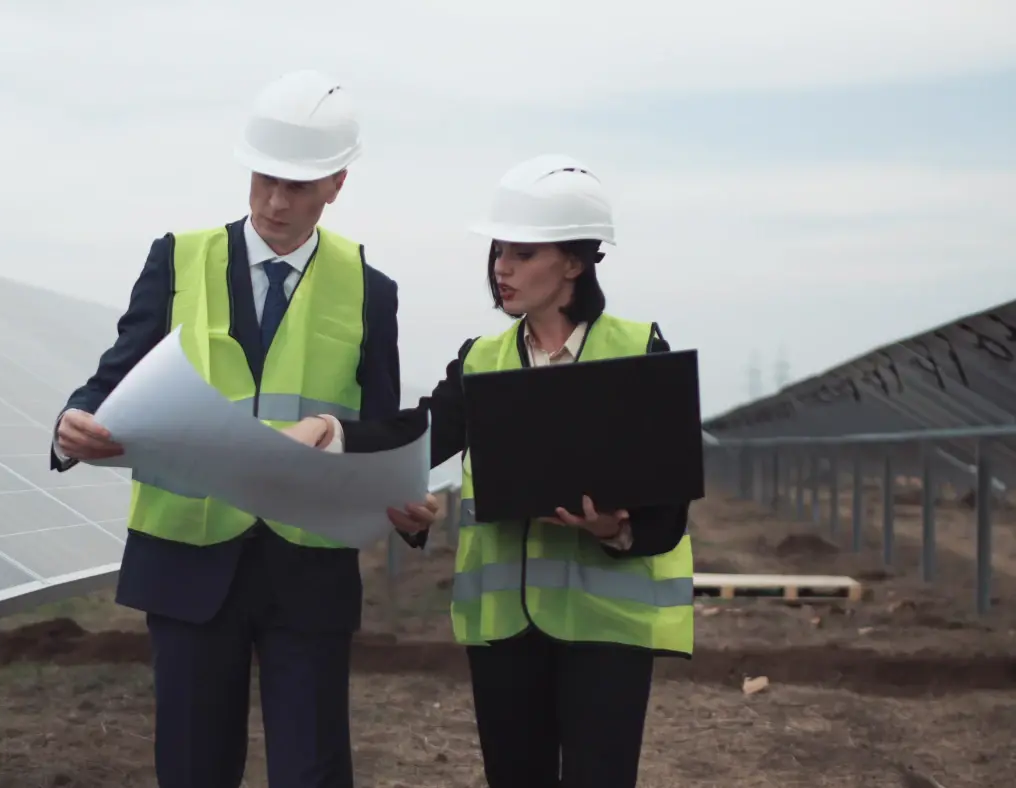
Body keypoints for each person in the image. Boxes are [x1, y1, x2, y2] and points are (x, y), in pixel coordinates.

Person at [50, 70, 425, 788]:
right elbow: (116, 375)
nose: (276, 202)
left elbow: (378, 424)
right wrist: (74, 423)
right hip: (188, 565)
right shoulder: (178, 258)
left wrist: (405, 509)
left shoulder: (372, 292)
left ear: (336, 186)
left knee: (312, 770)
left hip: (308, 570)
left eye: (298, 186)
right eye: (265, 179)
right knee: (192, 769)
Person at [281, 154, 695, 788]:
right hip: (505, 631)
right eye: (499, 250)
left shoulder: (639, 352)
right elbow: (420, 435)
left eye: (523, 254)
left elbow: (667, 513)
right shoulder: (484, 360)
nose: (501, 268)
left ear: (575, 262)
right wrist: (333, 432)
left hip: (606, 629)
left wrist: (614, 530)